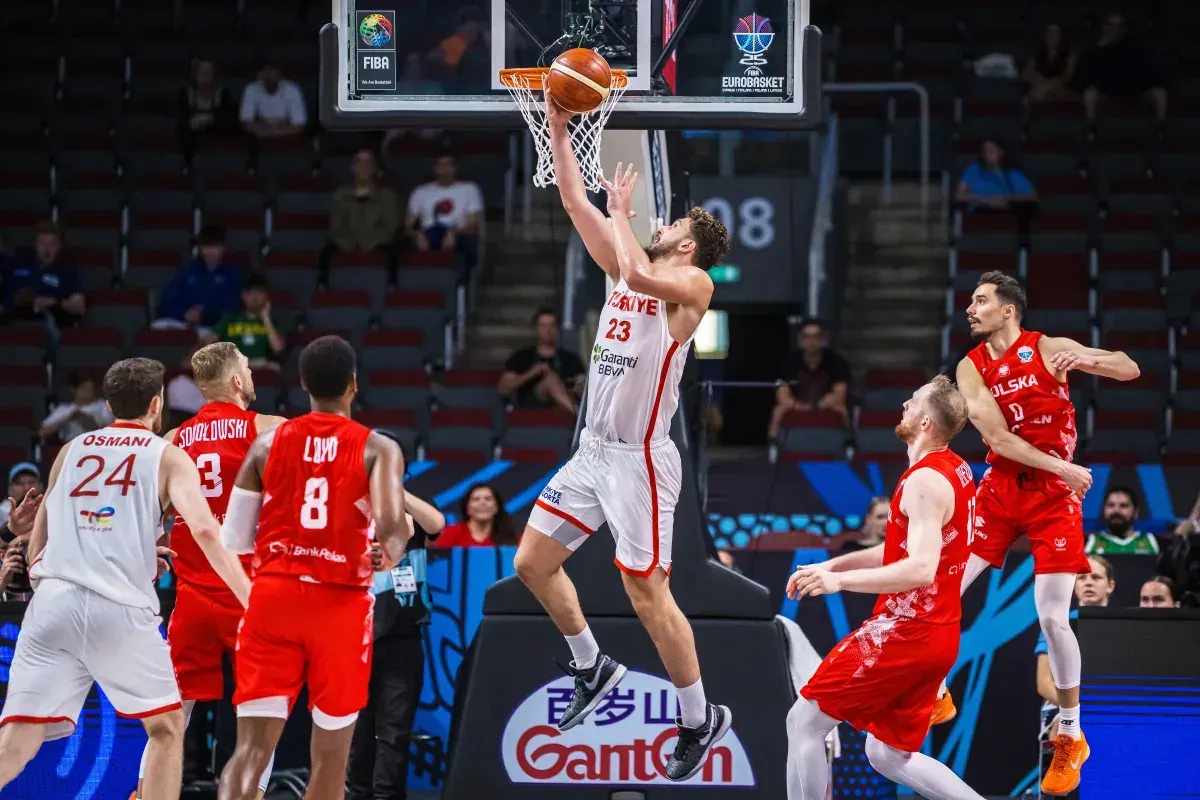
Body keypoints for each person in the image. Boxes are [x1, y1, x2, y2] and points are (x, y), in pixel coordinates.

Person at [510, 91, 732, 781]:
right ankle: (592, 665)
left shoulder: (692, 282)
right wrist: (556, 123)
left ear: (688, 242)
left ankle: (699, 715)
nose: (657, 225)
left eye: (670, 223)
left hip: (639, 459)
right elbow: (576, 205)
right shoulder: (626, 264)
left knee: (646, 594)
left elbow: (638, 269)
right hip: (594, 452)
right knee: (531, 564)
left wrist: (623, 217)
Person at [0, 358, 251, 798]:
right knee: (168, 728)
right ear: (156, 404)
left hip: (52, 605)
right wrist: (252, 597)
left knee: (18, 740)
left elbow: (39, 544)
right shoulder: (167, 455)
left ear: (110, 402)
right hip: (116, 607)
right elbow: (207, 531)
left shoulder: (70, 450)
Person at [933, 271, 1140, 796]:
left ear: (1009, 310)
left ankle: (1070, 731)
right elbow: (996, 436)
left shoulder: (1047, 347)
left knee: (1052, 615)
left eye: (981, 301)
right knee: (945, 586)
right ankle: (932, 684)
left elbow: (1128, 367)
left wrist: (1088, 360)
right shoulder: (970, 365)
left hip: (1052, 499)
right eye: (971, 301)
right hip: (1002, 488)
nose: (970, 309)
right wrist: (1063, 466)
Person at [216, 335, 412, 800]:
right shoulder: (378, 448)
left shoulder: (266, 444)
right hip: (340, 604)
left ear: (303, 383)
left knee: (249, 752)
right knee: (330, 759)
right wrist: (393, 550)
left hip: (274, 599)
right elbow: (391, 528)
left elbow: (235, 539)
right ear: (353, 385)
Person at [785, 376, 985, 800]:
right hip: (937, 634)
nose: (903, 406)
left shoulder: (925, 482)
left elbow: (919, 569)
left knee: (804, 722)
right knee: (887, 754)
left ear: (927, 422)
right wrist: (832, 563)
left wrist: (838, 580)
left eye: (912, 404)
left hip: (906, 630)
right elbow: (898, 550)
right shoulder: (955, 469)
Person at [132, 342, 286, 800]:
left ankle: (146, 794)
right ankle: (250, 793)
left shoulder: (174, 441)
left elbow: (149, 518)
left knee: (172, 717)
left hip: (193, 595)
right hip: (250, 594)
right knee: (262, 710)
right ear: (237, 381)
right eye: (247, 370)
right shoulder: (269, 428)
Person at [348, 477, 445, 800]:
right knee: (357, 729)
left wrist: (396, 492)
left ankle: (387, 795)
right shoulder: (348, 512)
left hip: (404, 636)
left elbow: (436, 524)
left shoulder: (406, 510)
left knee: (395, 729)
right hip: (353, 636)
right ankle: (357, 793)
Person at [1035, 556, 1114, 742]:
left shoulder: (1122, 625)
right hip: (1062, 705)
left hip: (1110, 704)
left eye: (1096, 578)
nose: (1088, 583)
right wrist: (1074, 710)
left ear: (1110, 585)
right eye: (1082, 578)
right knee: (1063, 728)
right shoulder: (1055, 622)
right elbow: (1044, 683)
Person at [319, 149, 400, 287]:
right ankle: (322, 286)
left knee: (395, 250)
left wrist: (368, 243)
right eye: (359, 162)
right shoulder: (340, 195)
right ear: (353, 168)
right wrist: (349, 244)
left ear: (374, 168)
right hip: (347, 243)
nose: (364, 166)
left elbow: (391, 226)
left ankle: (391, 287)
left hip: (377, 243)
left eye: (368, 162)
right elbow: (335, 227)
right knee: (325, 251)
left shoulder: (387, 196)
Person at [1077, 13, 1167, 132]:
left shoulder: (1136, 48)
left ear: (1124, 30)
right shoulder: (1097, 49)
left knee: (1160, 93)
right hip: (1108, 92)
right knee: (1090, 94)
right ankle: (1091, 127)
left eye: (1118, 27)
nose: (1113, 30)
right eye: (1110, 26)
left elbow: (1150, 73)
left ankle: (1160, 126)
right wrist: (1098, 49)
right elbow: (1085, 74)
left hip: (1135, 91)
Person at [769, 319, 851, 439]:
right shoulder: (789, 362)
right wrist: (799, 406)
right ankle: (774, 445)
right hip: (797, 404)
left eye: (816, 337)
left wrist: (818, 405)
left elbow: (839, 394)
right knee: (779, 410)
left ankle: (849, 443)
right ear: (801, 340)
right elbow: (782, 396)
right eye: (806, 337)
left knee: (841, 408)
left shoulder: (837, 362)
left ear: (823, 340)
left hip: (825, 404)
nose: (811, 341)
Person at [497, 308, 586, 416]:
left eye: (552, 325)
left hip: (563, 407)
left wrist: (576, 386)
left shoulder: (570, 358)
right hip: (530, 406)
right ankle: (580, 418)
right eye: (543, 326)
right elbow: (503, 388)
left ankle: (578, 415)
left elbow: (583, 385)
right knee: (550, 380)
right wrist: (531, 373)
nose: (548, 330)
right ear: (536, 329)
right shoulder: (522, 356)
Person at [154, 226, 242, 332]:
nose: (210, 252)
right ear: (200, 248)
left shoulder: (231, 273)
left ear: (223, 248)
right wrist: (184, 313)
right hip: (182, 322)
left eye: (214, 247)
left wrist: (205, 314)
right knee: (158, 326)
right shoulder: (187, 270)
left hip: (214, 327)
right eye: (206, 247)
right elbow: (169, 299)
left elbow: (232, 306)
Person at [0, 220, 86, 328]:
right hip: (10, 322)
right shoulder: (16, 263)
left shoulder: (66, 273)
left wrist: (54, 303)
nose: (47, 249)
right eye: (42, 244)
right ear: (35, 245)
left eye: (52, 244)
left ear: (59, 247)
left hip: (46, 323)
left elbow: (79, 307)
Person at [404, 151, 482, 267]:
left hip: (458, 233)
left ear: (455, 168)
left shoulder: (469, 189)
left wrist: (454, 233)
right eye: (441, 165)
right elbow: (408, 227)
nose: (444, 170)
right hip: (428, 233)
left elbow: (473, 226)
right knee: (406, 244)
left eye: (448, 165)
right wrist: (417, 234)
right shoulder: (420, 192)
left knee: (468, 242)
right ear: (434, 168)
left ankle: (461, 283)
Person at [211, 272, 287, 372]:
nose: (255, 297)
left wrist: (266, 318)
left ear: (266, 296)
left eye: (259, 292)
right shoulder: (229, 319)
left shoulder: (273, 322)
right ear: (243, 296)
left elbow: (278, 349)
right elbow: (209, 343)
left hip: (260, 375)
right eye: (251, 292)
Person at [954, 139, 1038, 213]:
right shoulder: (973, 169)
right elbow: (960, 195)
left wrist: (1006, 200)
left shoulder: (1013, 174)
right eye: (986, 151)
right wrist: (986, 200)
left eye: (993, 150)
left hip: (1007, 213)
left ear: (1001, 152)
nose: (989, 154)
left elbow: (1032, 197)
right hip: (979, 212)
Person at [178, 58, 236, 162]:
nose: (206, 75)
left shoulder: (223, 93)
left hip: (217, 135)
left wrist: (207, 120)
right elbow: (181, 118)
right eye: (202, 72)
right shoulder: (186, 94)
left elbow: (227, 117)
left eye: (209, 72)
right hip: (192, 138)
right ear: (195, 75)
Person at [433, 483, 519, 547]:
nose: (482, 503)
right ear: (467, 508)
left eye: (488, 499)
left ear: (496, 507)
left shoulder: (511, 538)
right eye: (476, 499)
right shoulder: (451, 534)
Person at [38, 372, 114, 443]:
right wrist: (68, 418)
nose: (88, 392)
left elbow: (113, 430)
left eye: (91, 389)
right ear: (74, 389)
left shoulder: (102, 405)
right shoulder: (64, 409)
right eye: (84, 388)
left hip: (96, 445)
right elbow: (42, 432)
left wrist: (91, 422)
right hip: (70, 446)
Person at [1085, 486, 1159, 555]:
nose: (1116, 510)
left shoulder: (1152, 541)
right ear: (1104, 510)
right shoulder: (1088, 542)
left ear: (1136, 512)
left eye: (1123, 505)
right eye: (1111, 505)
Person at [1024, 24, 1077, 103]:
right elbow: (1027, 72)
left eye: (1055, 34)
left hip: (1060, 87)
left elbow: (1068, 75)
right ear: (1045, 37)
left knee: (1043, 91)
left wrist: (1053, 83)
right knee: (1038, 90)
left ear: (1060, 38)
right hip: (1041, 85)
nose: (1052, 37)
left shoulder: (1069, 55)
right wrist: (1040, 80)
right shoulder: (1039, 53)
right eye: (1050, 34)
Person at [0, 462, 43, 530]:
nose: (26, 487)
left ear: (41, 487)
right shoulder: (1, 512)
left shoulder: (52, 510)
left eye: (31, 482)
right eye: (19, 483)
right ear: (10, 490)